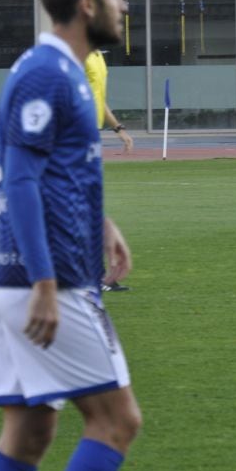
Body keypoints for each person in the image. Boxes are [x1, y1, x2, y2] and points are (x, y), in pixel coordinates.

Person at [0, 0, 141, 471]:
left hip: (17, 277)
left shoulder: (64, 72)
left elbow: (55, 172)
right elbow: (21, 180)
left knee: (29, 431)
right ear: (87, 4)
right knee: (116, 421)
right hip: (50, 278)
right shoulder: (48, 73)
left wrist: (102, 222)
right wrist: (45, 283)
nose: (123, 7)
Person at [85, 49, 134, 291]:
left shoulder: (97, 56)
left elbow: (98, 98)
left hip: (90, 137)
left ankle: (97, 275)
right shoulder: (75, 54)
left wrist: (118, 129)